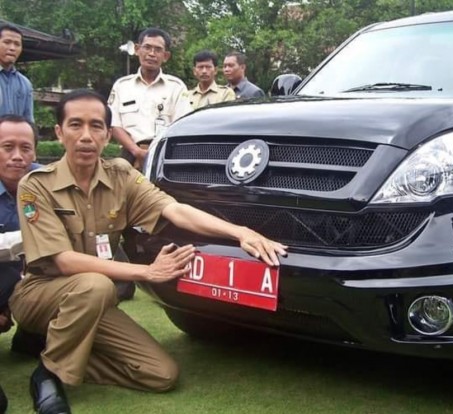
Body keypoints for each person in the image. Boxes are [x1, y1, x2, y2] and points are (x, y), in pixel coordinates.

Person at [8, 89, 287, 414]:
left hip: (90, 301)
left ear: (107, 134)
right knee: (96, 284)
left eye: (96, 126)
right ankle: (48, 375)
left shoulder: (121, 176)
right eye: (75, 125)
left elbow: (176, 210)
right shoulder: (35, 184)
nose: (86, 136)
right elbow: (63, 261)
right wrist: (146, 272)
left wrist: (240, 232)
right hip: (40, 295)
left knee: (160, 374)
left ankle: (52, 347)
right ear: (59, 132)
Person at [0, 114, 41, 414]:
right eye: (7, 147)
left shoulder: (47, 184)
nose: (17, 156)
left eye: (25, 148)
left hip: (33, 284)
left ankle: (30, 334)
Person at [108, 27, 191, 169]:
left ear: (165, 56)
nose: (152, 54)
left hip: (165, 157)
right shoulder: (122, 86)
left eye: (158, 50)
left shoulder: (176, 87)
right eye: (147, 47)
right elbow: (113, 123)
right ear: (137, 49)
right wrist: (136, 151)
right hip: (130, 157)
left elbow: (183, 125)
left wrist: (157, 154)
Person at [0, 24, 34, 123]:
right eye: (7, 42)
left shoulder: (25, 83)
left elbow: (29, 121)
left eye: (17, 44)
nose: (12, 48)